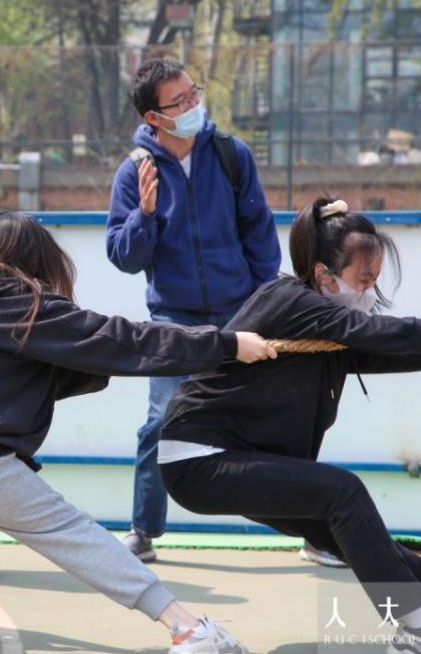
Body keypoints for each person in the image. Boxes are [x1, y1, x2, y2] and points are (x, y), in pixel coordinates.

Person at [0, 211, 279, 654]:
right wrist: (226, 344)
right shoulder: (24, 301)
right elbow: (124, 339)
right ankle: (186, 627)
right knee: (65, 529)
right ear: (38, 261)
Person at [159, 198, 421, 652]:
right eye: (363, 279)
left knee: (343, 526)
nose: (369, 292)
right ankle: (418, 627)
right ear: (324, 275)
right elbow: (382, 334)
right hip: (199, 458)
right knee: (343, 492)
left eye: (374, 280)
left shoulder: (325, 325)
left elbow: (382, 352)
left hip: (226, 458)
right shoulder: (290, 301)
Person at [105, 58, 283, 564]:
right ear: (153, 117)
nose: (192, 106)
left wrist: (261, 302)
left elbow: (259, 233)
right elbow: (123, 256)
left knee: (275, 416)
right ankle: (144, 529)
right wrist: (145, 215)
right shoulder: (134, 171)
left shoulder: (231, 154)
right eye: (178, 101)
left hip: (241, 312)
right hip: (174, 319)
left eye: (193, 94)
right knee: (161, 420)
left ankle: (315, 528)